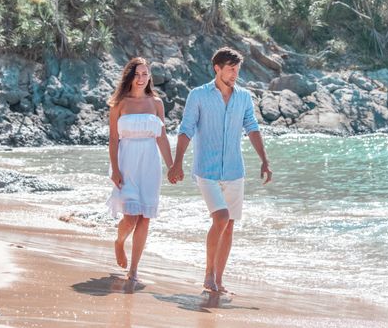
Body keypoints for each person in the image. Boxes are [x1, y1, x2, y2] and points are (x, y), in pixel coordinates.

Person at [168, 47, 272, 292]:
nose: (235, 74)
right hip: (207, 170)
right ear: (217, 68)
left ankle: (219, 280)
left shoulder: (244, 97)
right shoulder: (198, 95)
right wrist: (177, 162)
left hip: (235, 170)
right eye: (230, 69)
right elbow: (186, 129)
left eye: (237, 69)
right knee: (221, 218)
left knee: (230, 224)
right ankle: (208, 274)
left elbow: (252, 128)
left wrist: (265, 160)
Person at [107, 57, 173, 281]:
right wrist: (115, 170)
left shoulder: (156, 103)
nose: (141, 79)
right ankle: (119, 241)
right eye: (137, 74)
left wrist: (172, 166)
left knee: (145, 217)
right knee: (131, 217)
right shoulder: (119, 103)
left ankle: (134, 270)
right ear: (130, 76)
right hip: (126, 162)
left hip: (150, 163)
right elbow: (114, 139)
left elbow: (162, 137)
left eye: (145, 74)